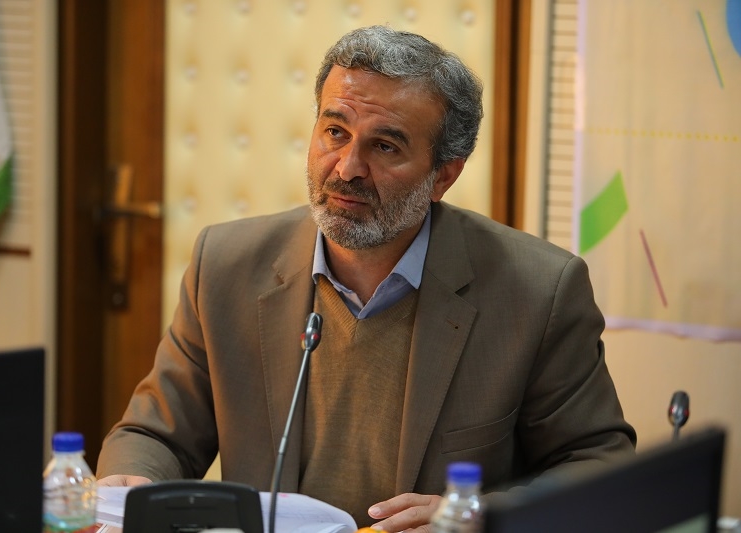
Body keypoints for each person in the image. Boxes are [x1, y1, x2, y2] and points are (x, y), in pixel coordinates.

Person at [96, 25, 636, 530]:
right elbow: (155, 434)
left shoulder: (537, 291)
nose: (347, 167)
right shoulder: (226, 265)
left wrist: (479, 516)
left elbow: (598, 463)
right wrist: (134, 483)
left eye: (385, 146)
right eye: (335, 132)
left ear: (443, 176)